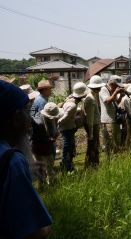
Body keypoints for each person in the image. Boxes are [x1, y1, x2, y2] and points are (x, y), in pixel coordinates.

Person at [0, 80, 52, 239]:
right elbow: (37, 232)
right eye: (26, 111)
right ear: (16, 118)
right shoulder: (12, 161)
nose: (29, 121)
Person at [58, 82, 89, 171]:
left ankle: (68, 166)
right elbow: (64, 118)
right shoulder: (73, 105)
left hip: (68, 128)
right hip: (67, 129)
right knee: (67, 148)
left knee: (70, 148)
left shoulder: (70, 99)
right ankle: (66, 168)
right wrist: (58, 122)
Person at [31, 102, 62, 185]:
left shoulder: (49, 119)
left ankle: (51, 183)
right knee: (41, 167)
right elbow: (34, 138)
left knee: (49, 166)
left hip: (47, 146)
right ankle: (43, 185)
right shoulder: (38, 123)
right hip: (38, 148)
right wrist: (50, 140)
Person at [84, 75, 105, 168]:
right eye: (99, 87)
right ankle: (92, 165)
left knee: (94, 146)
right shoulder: (90, 99)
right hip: (93, 126)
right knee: (93, 146)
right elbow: (90, 119)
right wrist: (91, 133)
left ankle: (93, 164)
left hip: (95, 125)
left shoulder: (93, 96)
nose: (100, 88)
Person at [99, 75, 122, 157]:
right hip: (107, 120)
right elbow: (107, 101)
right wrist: (116, 92)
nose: (117, 87)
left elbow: (115, 102)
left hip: (114, 118)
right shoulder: (103, 89)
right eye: (116, 85)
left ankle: (115, 156)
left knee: (116, 139)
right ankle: (109, 158)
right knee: (110, 140)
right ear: (112, 83)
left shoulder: (111, 90)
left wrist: (121, 95)